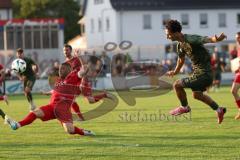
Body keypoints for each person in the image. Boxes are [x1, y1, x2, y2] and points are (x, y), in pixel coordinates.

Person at [5, 62, 111, 136]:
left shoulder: (73, 76)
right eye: (59, 68)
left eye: (63, 68)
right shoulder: (59, 80)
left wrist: (79, 57)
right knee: (35, 112)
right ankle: (17, 125)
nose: (60, 70)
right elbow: (56, 91)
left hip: (63, 110)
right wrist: (47, 93)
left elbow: (84, 69)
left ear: (69, 70)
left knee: (70, 130)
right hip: (51, 107)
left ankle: (84, 132)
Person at [165, 19, 227, 124]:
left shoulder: (190, 38)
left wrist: (216, 39)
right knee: (197, 95)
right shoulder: (180, 45)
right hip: (199, 73)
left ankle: (184, 107)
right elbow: (181, 60)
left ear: (175, 33)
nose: (167, 37)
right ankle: (219, 110)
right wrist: (175, 72)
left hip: (204, 74)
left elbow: (204, 39)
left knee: (177, 85)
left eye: (168, 34)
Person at [63, 44, 84, 120]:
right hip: (72, 84)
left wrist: (82, 82)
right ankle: (79, 117)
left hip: (79, 83)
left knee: (69, 100)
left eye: (67, 50)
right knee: (70, 100)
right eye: (64, 50)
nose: (65, 52)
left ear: (70, 51)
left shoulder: (76, 59)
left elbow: (84, 68)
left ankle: (71, 117)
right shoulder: (66, 62)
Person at [231, 32, 240, 119]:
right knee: (233, 91)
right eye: (236, 38)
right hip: (239, 73)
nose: (237, 39)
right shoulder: (238, 48)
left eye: (238, 37)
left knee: (234, 91)